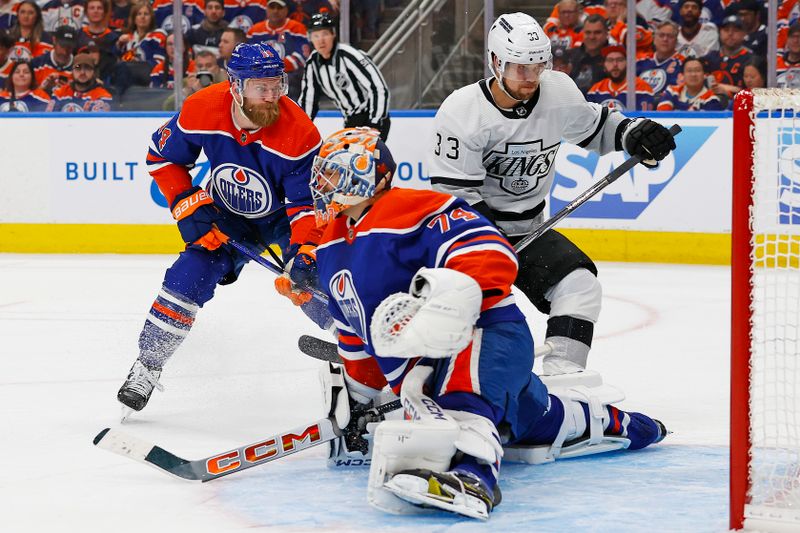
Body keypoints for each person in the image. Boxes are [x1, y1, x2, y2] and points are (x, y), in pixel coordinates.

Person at [309, 127, 668, 520]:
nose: (323, 183)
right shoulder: (328, 248)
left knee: (467, 392)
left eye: (334, 172)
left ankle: (474, 480)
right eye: (322, 172)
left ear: (373, 175)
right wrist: (360, 401)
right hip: (435, 377)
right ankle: (637, 427)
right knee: (543, 419)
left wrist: (445, 303)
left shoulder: (412, 208)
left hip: (488, 336)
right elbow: (354, 333)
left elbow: (490, 249)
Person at [427, 13, 675, 380]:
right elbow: (455, 194)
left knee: (579, 286)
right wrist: (489, 244)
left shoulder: (558, 91)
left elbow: (596, 127)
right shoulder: (462, 112)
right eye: (519, 68)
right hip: (467, 236)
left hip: (529, 231)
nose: (530, 77)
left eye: (537, 66)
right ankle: (409, 368)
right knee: (470, 318)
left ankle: (564, 378)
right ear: (496, 62)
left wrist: (635, 134)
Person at [116, 42, 327, 414]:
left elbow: (304, 205)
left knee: (313, 280)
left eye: (276, 85)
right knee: (187, 278)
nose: (271, 95)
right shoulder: (202, 108)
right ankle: (147, 365)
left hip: (282, 220)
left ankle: (357, 348)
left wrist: (305, 251)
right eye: (260, 86)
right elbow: (161, 157)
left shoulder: (301, 134)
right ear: (235, 85)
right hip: (225, 215)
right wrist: (188, 206)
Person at [299, 12, 390, 141]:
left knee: (369, 159)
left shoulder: (349, 55)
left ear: (333, 34)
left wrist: (375, 123)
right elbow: (308, 101)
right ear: (310, 38)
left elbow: (378, 88)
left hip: (371, 116)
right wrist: (302, 129)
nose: (321, 40)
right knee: (347, 159)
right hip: (351, 121)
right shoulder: (312, 63)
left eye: (325, 34)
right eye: (316, 35)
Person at [247, 0, 310, 101]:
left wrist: (274, 68)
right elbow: (248, 56)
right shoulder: (255, 31)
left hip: (288, 76)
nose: (275, 11)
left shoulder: (297, 28)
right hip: (260, 75)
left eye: (279, 8)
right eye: (272, 7)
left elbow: (302, 56)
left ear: (286, 10)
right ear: (266, 9)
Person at [703, 15, 752, 106]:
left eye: (735, 30)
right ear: (720, 33)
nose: (730, 34)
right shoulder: (709, 57)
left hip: (739, 107)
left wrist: (727, 91)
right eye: (726, 30)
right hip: (707, 104)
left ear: (744, 34)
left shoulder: (750, 59)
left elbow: (754, 91)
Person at [587, 44, 654, 111]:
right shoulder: (595, 90)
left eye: (619, 60)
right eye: (610, 60)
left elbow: (644, 118)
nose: (615, 64)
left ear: (628, 63)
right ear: (604, 65)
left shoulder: (642, 88)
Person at [636, 20, 686, 100]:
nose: (665, 39)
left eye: (670, 36)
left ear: (676, 41)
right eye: (661, 35)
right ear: (654, 39)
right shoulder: (639, 61)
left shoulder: (683, 64)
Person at [48, 51, 112, 111]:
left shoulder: (103, 95)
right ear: (72, 71)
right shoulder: (60, 93)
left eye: (87, 68)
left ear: (94, 72)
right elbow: (50, 119)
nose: (82, 72)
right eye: (78, 68)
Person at [655, 57, 723, 111]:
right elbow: (663, 116)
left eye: (697, 70)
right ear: (682, 75)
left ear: (705, 75)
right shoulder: (671, 91)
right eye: (689, 71)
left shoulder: (712, 100)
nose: (693, 74)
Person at [77, 0, 120, 81]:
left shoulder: (113, 37)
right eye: (92, 8)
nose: (95, 11)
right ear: (86, 12)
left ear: (105, 12)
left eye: (99, 8)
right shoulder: (78, 35)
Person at [568, 13, 609, 95]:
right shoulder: (571, 55)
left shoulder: (613, 58)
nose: (592, 37)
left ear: (606, 34)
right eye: (588, 32)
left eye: (597, 32)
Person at [31, 24, 76, 92]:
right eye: (62, 46)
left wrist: (71, 91)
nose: (64, 52)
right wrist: (42, 89)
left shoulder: (78, 67)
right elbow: (25, 97)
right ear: (54, 40)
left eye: (69, 47)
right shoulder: (36, 64)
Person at [778, 23, 800, 88]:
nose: (795, 41)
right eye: (792, 37)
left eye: (799, 37)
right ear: (787, 40)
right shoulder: (775, 64)